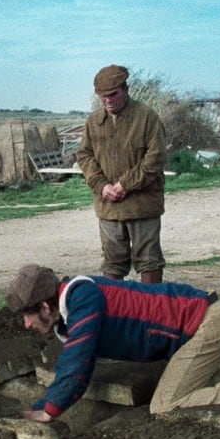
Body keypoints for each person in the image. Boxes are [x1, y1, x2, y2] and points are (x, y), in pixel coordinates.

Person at [5, 264, 220, 422]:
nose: (26, 325)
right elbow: (78, 373)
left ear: (45, 306)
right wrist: (39, 407)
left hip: (208, 324)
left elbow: (76, 363)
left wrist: (50, 411)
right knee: (184, 379)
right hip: (202, 324)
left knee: (164, 404)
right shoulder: (72, 312)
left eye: (27, 315)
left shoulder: (82, 297)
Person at [74, 64, 169, 283]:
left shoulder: (146, 117)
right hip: (109, 207)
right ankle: (116, 312)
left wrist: (125, 184)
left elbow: (156, 158)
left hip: (142, 205)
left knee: (149, 261)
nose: (107, 101)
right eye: (102, 97)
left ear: (125, 89)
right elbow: (84, 156)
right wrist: (101, 185)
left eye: (112, 95)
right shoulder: (93, 122)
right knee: (113, 263)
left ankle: (151, 311)